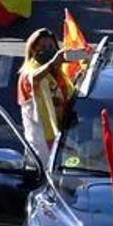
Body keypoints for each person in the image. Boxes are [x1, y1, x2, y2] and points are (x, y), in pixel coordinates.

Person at [16, 27, 82, 164]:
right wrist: (52, 64)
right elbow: (33, 78)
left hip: (63, 133)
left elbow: (67, 95)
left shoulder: (59, 73)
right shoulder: (29, 71)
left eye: (51, 46)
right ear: (33, 50)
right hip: (41, 139)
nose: (47, 49)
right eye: (43, 46)